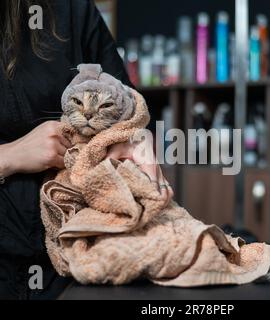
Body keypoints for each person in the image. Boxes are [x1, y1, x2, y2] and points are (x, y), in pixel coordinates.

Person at [0, 0, 172, 299]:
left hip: (75, 257)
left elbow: (128, 103)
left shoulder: (71, 8)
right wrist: (10, 156)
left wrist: (133, 136)